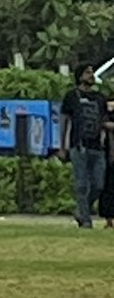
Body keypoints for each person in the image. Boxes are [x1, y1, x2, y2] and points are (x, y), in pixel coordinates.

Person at [59, 64, 109, 228]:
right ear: (80, 76)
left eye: (92, 72)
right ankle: (86, 221)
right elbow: (64, 121)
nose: (92, 75)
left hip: (97, 147)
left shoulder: (100, 98)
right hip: (79, 146)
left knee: (99, 184)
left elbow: (103, 122)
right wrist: (62, 146)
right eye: (88, 72)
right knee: (81, 184)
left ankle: (81, 210)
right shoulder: (72, 96)